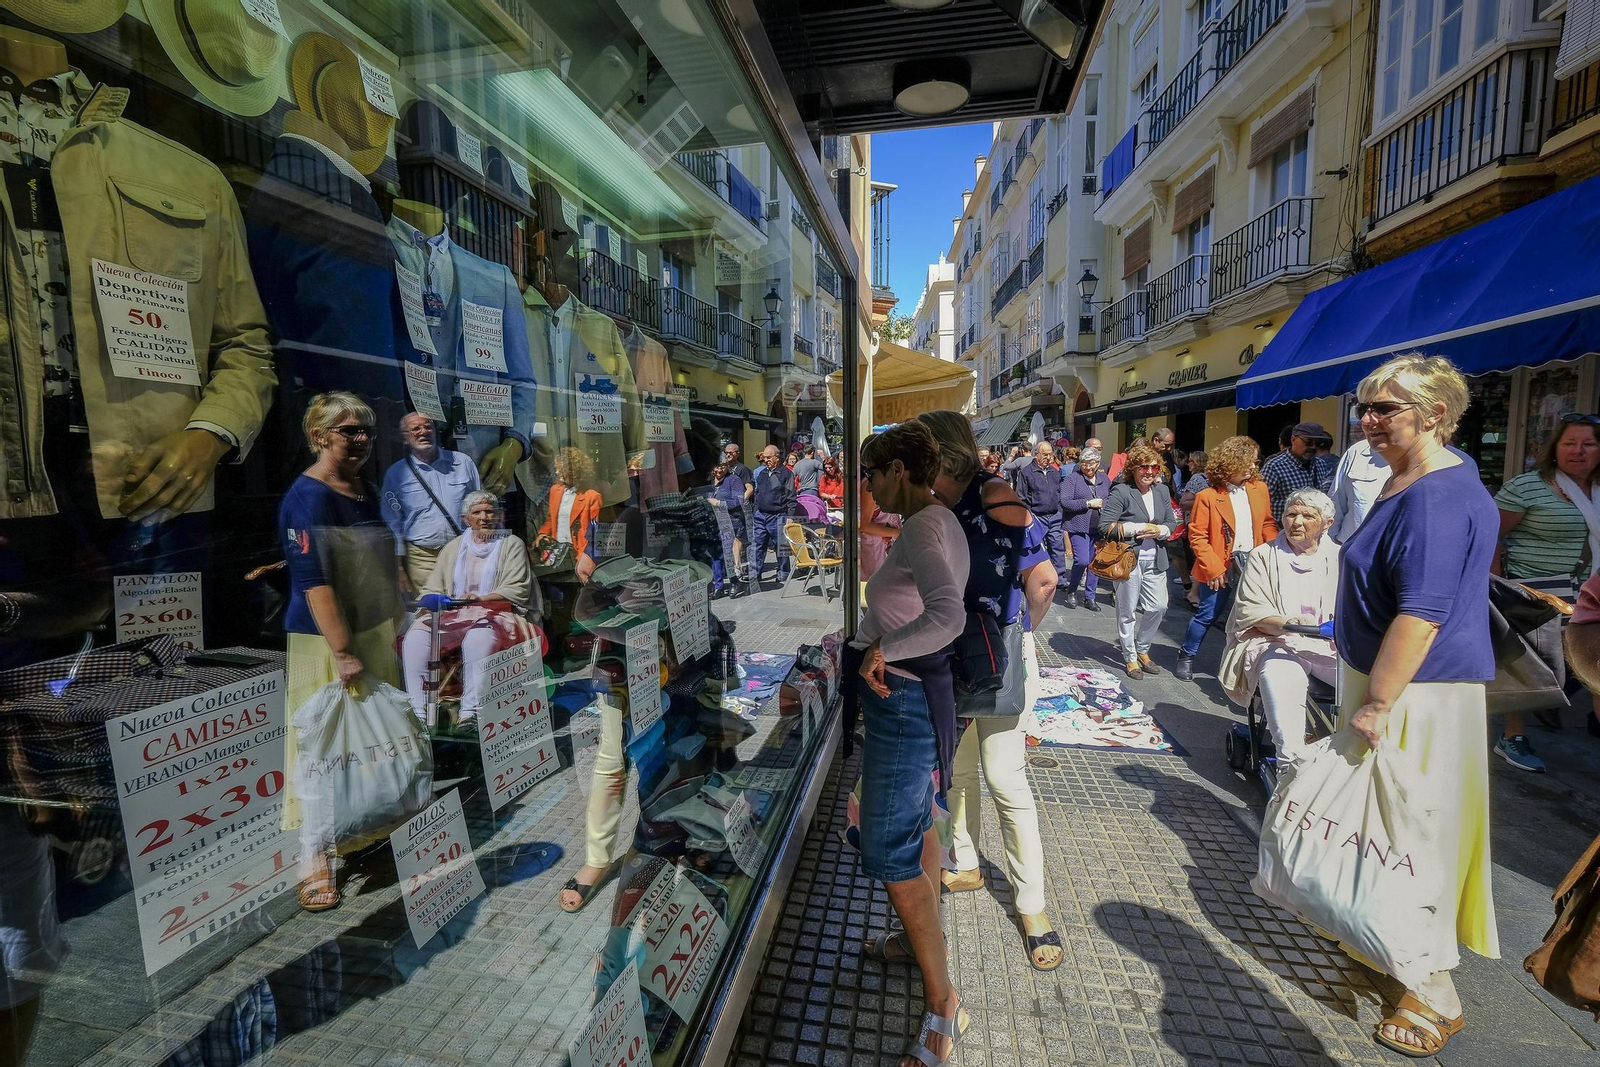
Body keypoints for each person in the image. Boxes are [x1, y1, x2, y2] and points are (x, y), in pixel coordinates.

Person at [1333, 354, 1498, 1057]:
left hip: (1412, 694)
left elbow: (1422, 613)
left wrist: (1375, 703)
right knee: (1391, 829)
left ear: (1435, 412)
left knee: (1415, 834)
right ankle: (1395, 947)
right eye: (1364, 407)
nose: (1368, 420)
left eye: (1385, 408)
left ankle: (1434, 991)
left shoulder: (1435, 493)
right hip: (1399, 684)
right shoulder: (1419, 473)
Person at [915, 410, 1064, 973]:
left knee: (996, 774)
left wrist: (1022, 632)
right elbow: (1042, 578)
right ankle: (976, 865)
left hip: (985, 650)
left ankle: (1030, 904)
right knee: (968, 769)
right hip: (970, 651)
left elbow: (1042, 578)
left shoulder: (985, 497)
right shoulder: (952, 499)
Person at [851, 421, 970, 1066]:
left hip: (904, 701)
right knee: (915, 832)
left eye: (872, 474)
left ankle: (942, 1001)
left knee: (888, 849)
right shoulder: (939, 520)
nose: (868, 488)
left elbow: (945, 614)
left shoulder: (924, 526)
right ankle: (915, 943)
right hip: (906, 697)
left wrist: (881, 648)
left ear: (898, 469)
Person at [279, 392, 404, 912]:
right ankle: (315, 859)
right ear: (318, 435)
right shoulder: (305, 498)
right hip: (329, 641)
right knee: (320, 754)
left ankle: (365, 830)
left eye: (366, 432)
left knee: (372, 743)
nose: (359, 440)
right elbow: (314, 582)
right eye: (348, 430)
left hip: (374, 632)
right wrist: (344, 652)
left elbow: (380, 559)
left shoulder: (363, 488)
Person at [1489, 412, 1600, 772]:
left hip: (1589, 592)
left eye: (1588, 444)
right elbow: (1492, 535)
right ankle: (1513, 735)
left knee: (1592, 662)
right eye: (1569, 443)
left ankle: (1563, 705)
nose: (1578, 451)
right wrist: (1498, 588)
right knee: (1525, 665)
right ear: (1556, 448)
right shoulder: (1528, 487)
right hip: (1533, 590)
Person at [1217, 489, 1338, 766]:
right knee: (1281, 673)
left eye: (1308, 516)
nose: (1297, 522)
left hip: (1329, 644)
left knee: (1369, 682)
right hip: (1275, 641)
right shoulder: (1263, 556)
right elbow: (1250, 611)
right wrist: (1288, 624)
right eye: (1291, 514)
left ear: (1327, 523)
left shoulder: (1343, 557)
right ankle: (1290, 764)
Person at [401, 491, 532, 722]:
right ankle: (419, 713)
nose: (484, 517)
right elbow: (433, 587)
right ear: (466, 519)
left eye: (489, 511)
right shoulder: (453, 548)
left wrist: (481, 599)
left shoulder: (512, 544)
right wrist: (433, 599)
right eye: (477, 512)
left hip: (496, 613)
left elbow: (518, 588)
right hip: (455, 615)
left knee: (478, 637)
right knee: (416, 636)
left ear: (499, 515)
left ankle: (470, 713)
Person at [1177, 437, 1279, 682]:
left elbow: (1267, 523)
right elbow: (1198, 536)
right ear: (1233, 462)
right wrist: (1212, 568)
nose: (1254, 467)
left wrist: (1272, 553)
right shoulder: (1208, 496)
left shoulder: (1259, 489)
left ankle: (1241, 664)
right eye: (1249, 462)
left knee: (1252, 616)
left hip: (1254, 562)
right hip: (1220, 561)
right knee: (1208, 613)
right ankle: (1187, 654)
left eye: (1255, 462)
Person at [382, 412, 482, 594]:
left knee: (470, 608)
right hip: (422, 559)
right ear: (404, 438)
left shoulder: (462, 463)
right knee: (432, 612)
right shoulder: (395, 474)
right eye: (416, 428)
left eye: (428, 426)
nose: (423, 431)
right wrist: (398, 568)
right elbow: (392, 525)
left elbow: (482, 507)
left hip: (463, 553)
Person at [1101, 445, 1177, 678]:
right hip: (1128, 560)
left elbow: (1171, 524)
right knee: (1127, 611)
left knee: (1158, 606)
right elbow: (1105, 526)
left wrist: (1160, 530)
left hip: (1156, 558)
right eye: (1144, 467)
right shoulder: (1122, 491)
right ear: (1133, 468)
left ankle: (1143, 647)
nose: (1150, 471)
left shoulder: (1162, 491)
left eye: (1154, 467)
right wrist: (1138, 528)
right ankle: (1130, 657)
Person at [1060, 446, 1111, 611]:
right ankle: (1072, 589)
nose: (1088, 467)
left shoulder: (1104, 479)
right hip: (1078, 527)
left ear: (1097, 463)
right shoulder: (1072, 479)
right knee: (1082, 560)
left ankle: (1090, 597)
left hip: (1099, 528)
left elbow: (1110, 499)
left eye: (1091, 464)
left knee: (1094, 564)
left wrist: (1105, 506)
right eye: (1084, 463)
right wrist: (1088, 503)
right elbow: (1065, 502)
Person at [1014, 441, 1068, 583]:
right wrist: (1029, 516)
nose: (1049, 457)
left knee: (1057, 547)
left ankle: (1060, 578)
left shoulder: (1055, 472)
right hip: (1037, 516)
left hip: (1055, 515)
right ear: (1036, 454)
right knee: (1037, 548)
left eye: (1050, 454)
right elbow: (1021, 497)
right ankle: (1037, 577)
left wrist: (1059, 510)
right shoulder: (1026, 473)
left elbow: (1059, 492)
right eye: (1045, 454)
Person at [538, 447, 603, 559]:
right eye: (558, 468)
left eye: (562, 469)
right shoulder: (555, 490)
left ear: (573, 471)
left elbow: (594, 533)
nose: (558, 472)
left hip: (578, 554)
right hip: (556, 551)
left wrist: (585, 557)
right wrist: (542, 534)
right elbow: (551, 518)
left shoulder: (592, 496)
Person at [747, 445, 796, 590]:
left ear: (777, 457)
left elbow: (791, 496)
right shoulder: (762, 473)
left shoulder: (786, 474)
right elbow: (757, 494)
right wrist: (756, 510)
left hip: (778, 514)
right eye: (765, 457)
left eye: (769, 457)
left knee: (781, 546)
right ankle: (755, 573)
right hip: (761, 515)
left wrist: (790, 516)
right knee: (758, 544)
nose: (766, 460)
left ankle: (783, 571)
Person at [1329, 428, 1389, 543]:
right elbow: (1335, 504)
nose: (1366, 418)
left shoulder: (1428, 458)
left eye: (1384, 410)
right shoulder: (1357, 452)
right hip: (1350, 546)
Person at [1261, 421, 1326, 526]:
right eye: (1308, 442)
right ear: (1293, 439)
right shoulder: (1274, 467)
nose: (1313, 447)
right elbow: (1260, 506)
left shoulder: (1320, 464)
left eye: (1318, 443)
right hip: (1282, 532)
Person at [1178, 450, 1210, 608]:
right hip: (1205, 522)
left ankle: (1194, 592)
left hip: (1196, 522)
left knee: (1199, 556)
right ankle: (1195, 592)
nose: (1188, 464)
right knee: (1200, 556)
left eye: (1191, 461)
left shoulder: (1197, 478)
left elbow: (1183, 503)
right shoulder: (1207, 479)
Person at [793, 443, 827, 522]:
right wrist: (822, 456)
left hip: (801, 493)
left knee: (804, 515)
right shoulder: (814, 462)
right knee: (814, 516)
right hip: (812, 491)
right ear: (812, 452)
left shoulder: (797, 464)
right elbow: (826, 467)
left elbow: (792, 476)